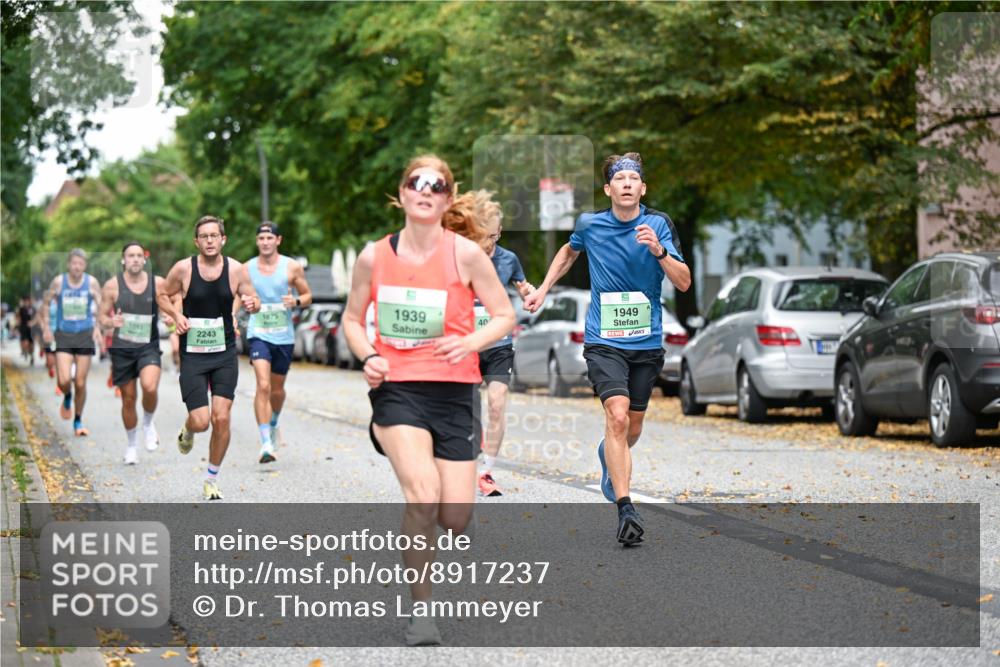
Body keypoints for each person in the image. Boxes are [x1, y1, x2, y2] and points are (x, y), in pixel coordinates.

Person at [341, 156, 514, 645]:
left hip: (455, 392)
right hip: (398, 390)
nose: (425, 189)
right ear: (402, 192)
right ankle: (422, 612)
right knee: (422, 495)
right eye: (415, 182)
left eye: (436, 185)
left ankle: (458, 514)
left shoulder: (466, 255)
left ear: (446, 198)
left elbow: (503, 315)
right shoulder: (374, 257)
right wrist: (368, 354)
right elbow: (353, 320)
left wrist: (470, 343)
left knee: (454, 516)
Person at [524, 152, 691, 546]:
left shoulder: (659, 224)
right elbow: (570, 250)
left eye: (635, 178)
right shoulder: (591, 224)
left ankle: (608, 455)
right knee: (616, 417)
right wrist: (544, 288)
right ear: (609, 189)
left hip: (647, 342)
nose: (628, 183)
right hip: (603, 341)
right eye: (621, 179)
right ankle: (625, 509)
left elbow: (684, 283)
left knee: (631, 427)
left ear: (643, 189)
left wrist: (660, 253)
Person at [157, 216, 261, 500]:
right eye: (204, 236)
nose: (210, 240)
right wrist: (177, 315)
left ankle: (211, 479)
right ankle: (188, 430)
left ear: (223, 239)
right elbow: (162, 294)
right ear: (197, 242)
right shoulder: (183, 269)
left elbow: (253, 301)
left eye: (215, 235)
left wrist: (253, 304)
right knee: (201, 421)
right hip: (193, 355)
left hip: (224, 353)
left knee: (222, 418)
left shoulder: (237, 270)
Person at [442, 191, 533, 496]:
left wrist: (528, 293)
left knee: (496, 404)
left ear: (500, 232)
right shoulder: (460, 256)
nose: (489, 242)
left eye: (494, 236)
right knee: (466, 411)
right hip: (465, 344)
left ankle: (487, 471)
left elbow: (522, 288)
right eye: (484, 235)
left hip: (498, 344)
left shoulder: (508, 259)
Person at [239, 221, 312, 464]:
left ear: (278, 240)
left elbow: (307, 295)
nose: (265, 242)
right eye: (261, 239)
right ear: (257, 241)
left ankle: (273, 423)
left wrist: (296, 302)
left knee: (277, 390)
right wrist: (231, 315)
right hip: (258, 332)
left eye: (270, 238)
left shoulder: (291, 267)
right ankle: (265, 444)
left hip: (284, 336)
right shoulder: (247, 268)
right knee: (263, 385)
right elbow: (239, 294)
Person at [99, 242, 164, 465]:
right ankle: (132, 445)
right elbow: (101, 317)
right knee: (128, 399)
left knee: (149, 386)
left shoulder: (158, 283)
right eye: (130, 255)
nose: (135, 259)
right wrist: (111, 321)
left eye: (139, 255)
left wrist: (172, 317)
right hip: (122, 349)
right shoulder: (111, 286)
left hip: (149, 346)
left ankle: (148, 422)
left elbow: (173, 303)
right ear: (123, 260)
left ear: (144, 259)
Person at [40, 249, 103, 436]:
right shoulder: (59, 282)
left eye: (80, 263)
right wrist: (46, 328)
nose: (77, 266)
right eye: (74, 263)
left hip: (85, 335)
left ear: (85, 265)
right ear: (69, 264)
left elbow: (101, 307)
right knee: (64, 380)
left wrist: (98, 328)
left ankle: (77, 420)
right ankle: (67, 395)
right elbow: (45, 303)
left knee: (81, 382)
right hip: (64, 335)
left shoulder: (91, 283)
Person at [16, 296, 36, 364]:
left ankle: (31, 355)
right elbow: (18, 316)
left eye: (28, 301)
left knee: (31, 344)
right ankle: (25, 352)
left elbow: (36, 317)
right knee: (25, 342)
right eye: (25, 301)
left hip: (31, 328)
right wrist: (18, 324)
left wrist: (32, 323)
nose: (27, 302)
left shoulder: (33, 309)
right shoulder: (21, 309)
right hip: (24, 327)